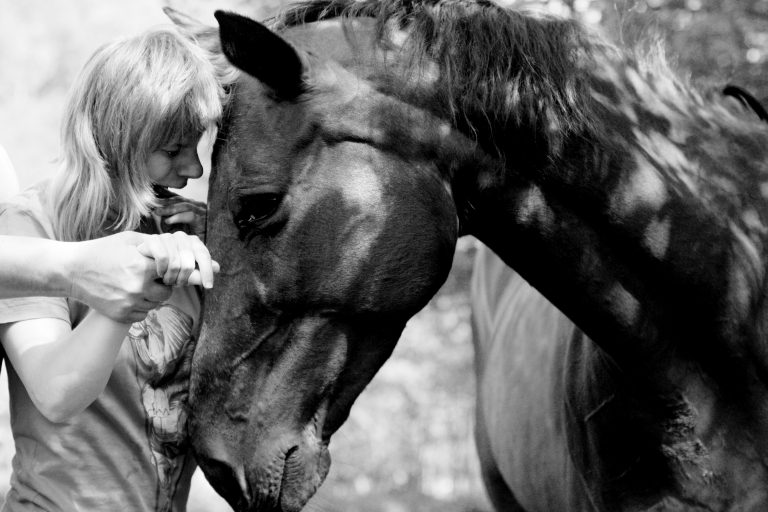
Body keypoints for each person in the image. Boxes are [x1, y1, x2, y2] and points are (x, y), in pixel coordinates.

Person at [0, 25, 224, 512]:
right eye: (173, 151)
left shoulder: (180, 231)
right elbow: (56, 393)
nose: (194, 170)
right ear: (119, 140)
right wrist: (127, 296)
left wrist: (227, 248)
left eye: (197, 148)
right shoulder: (31, 225)